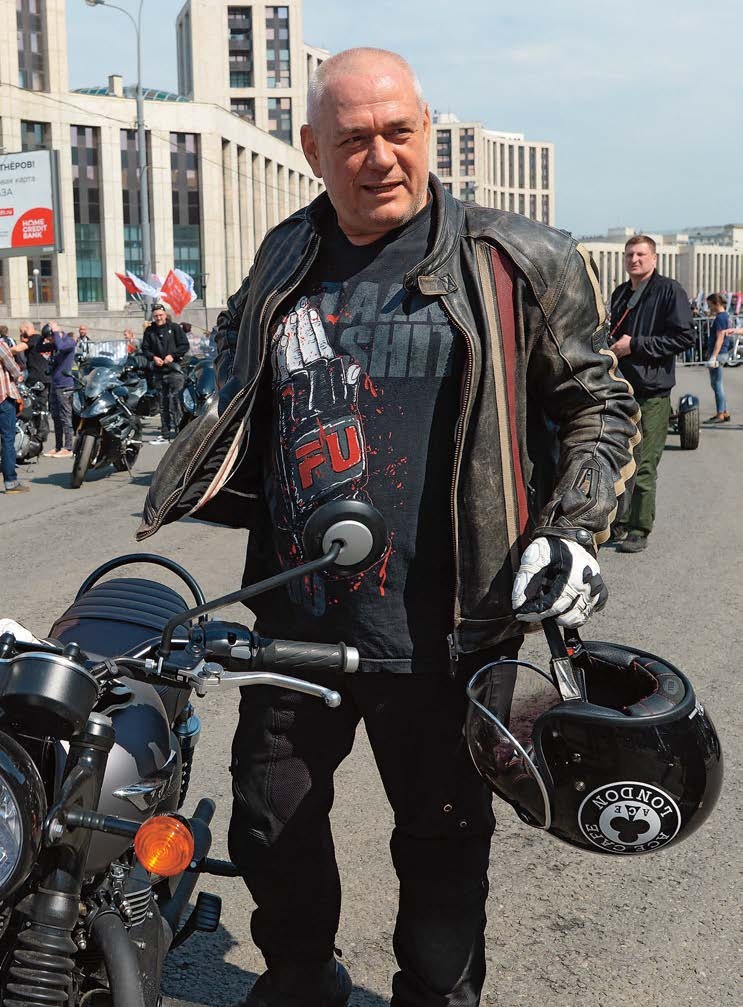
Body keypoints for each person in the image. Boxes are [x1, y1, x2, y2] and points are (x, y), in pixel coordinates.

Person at [138, 49, 639, 1007]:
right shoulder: (285, 250)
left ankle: (435, 994)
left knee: (443, 841)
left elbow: (597, 403)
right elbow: (243, 371)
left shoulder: (515, 258)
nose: (380, 158)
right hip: (294, 619)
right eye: (354, 139)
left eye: (398, 132)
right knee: (268, 824)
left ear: (426, 129)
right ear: (312, 148)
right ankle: (300, 979)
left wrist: (574, 525)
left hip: (448, 627)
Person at [608, 234, 694, 553]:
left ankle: (639, 527)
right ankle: (620, 520)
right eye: (629, 254)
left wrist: (636, 345)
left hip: (652, 393)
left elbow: (684, 337)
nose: (634, 259)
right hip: (621, 389)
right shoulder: (620, 293)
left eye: (641, 254)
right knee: (619, 460)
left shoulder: (669, 290)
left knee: (644, 463)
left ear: (654, 258)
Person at [141, 303, 189, 443]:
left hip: (175, 371)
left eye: (160, 315)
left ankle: (180, 433)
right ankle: (165, 433)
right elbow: (145, 349)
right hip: (159, 372)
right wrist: (153, 357)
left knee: (176, 402)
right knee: (163, 404)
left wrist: (172, 356)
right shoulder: (149, 331)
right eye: (156, 316)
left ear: (165, 314)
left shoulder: (174, 328)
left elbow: (184, 345)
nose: (158, 318)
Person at [0, 338, 30, 494]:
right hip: (3, 399)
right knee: (7, 439)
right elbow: (14, 368)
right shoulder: (0, 345)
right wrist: (19, 375)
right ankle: (11, 482)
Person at [44, 324, 77, 459]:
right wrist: (43, 335)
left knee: (65, 417)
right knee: (56, 416)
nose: (49, 341)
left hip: (65, 385)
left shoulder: (68, 341)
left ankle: (68, 447)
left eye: (50, 338)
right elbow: (39, 348)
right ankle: (58, 446)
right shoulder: (55, 343)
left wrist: (56, 331)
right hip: (55, 384)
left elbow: (61, 347)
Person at [704, 293, 732, 422]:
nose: (710, 308)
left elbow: (720, 338)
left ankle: (720, 413)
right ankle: (724, 411)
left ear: (717, 304)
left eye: (710, 305)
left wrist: (713, 356)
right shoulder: (725, 316)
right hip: (721, 353)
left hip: (719, 354)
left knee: (717, 384)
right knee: (717, 383)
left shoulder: (721, 318)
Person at [17, 321, 53, 408]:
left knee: (36, 406)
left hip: (36, 377)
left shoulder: (33, 339)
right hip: (46, 376)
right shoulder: (41, 339)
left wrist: (5, 351)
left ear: (26, 328)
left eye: (21, 331)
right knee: (43, 404)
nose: (21, 334)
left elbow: (17, 349)